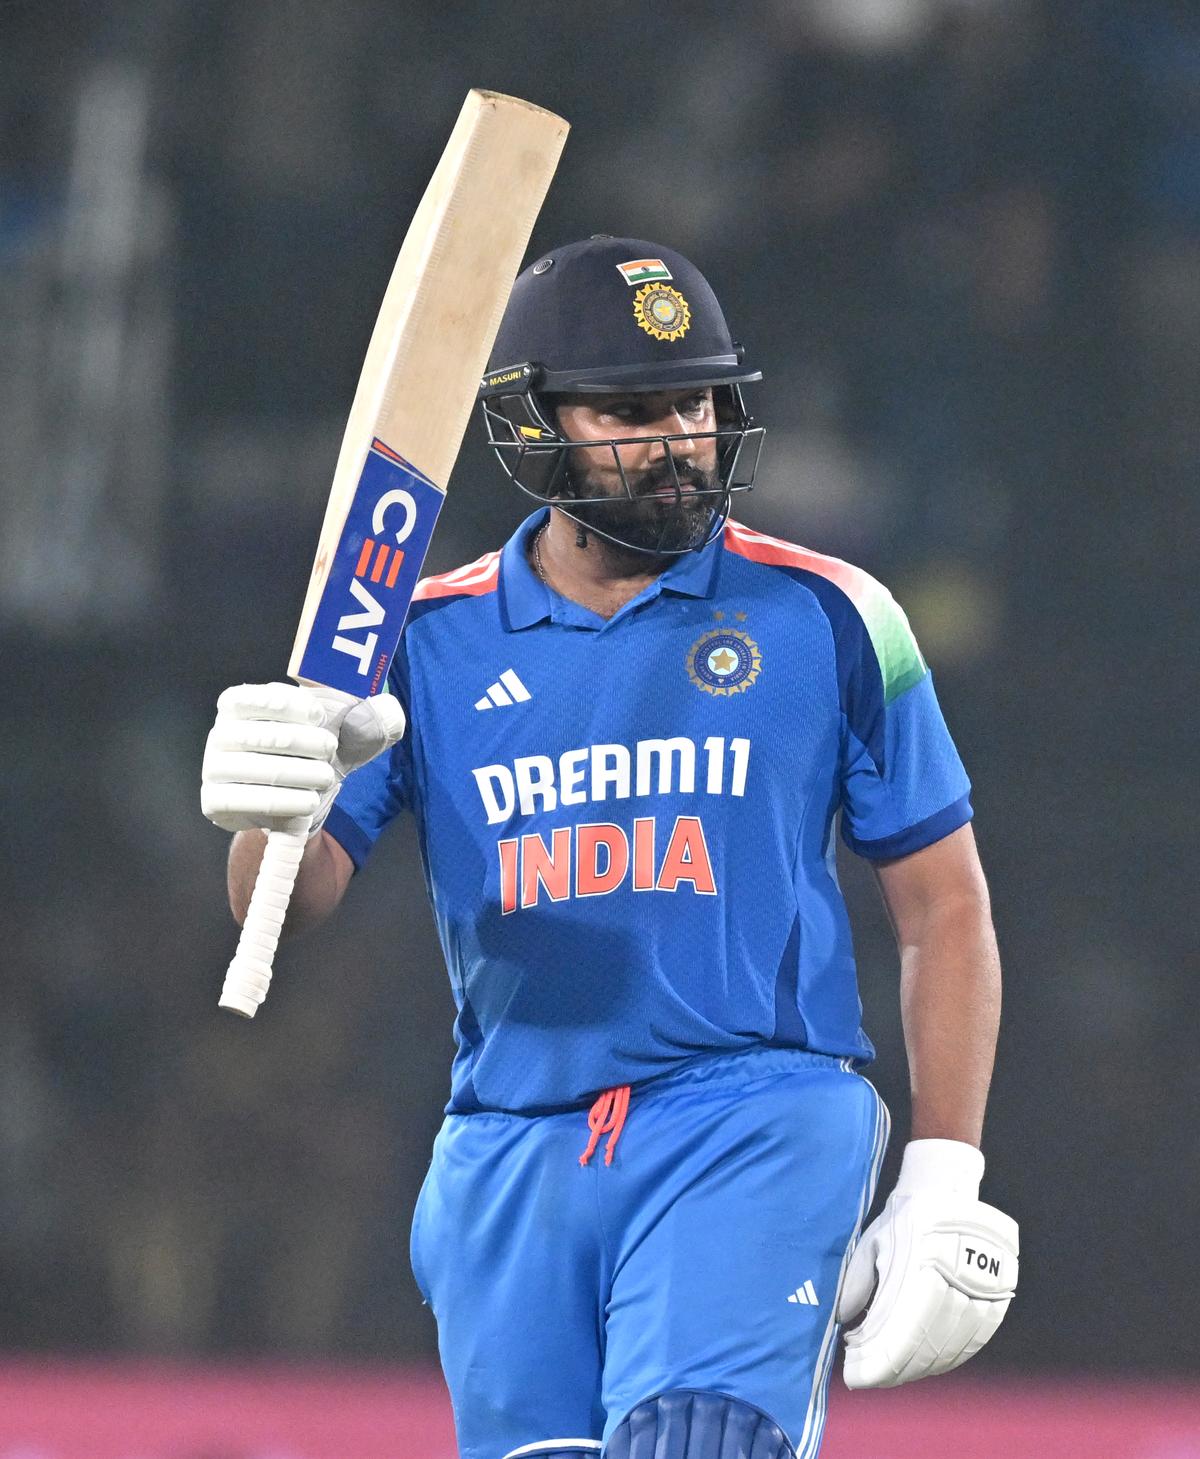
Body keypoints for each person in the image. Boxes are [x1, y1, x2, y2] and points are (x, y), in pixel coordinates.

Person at [202, 237, 1019, 1459]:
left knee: (696, 1440)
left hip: (752, 1111)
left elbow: (944, 906)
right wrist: (280, 799)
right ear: (534, 425)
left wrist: (946, 1170)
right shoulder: (416, 638)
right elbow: (287, 901)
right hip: (508, 1144)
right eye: (630, 410)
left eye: (695, 400)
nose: (679, 436)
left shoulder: (835, 616)